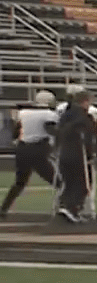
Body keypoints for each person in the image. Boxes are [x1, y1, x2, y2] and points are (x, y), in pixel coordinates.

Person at [0, 90, 59, 219]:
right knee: (58, 181)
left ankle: (3, 208)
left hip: (22, 149)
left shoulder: (24, 113)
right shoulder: (49, 114)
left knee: (19, 182)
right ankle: (64, 210)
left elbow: (16, 133)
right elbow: (51, 129)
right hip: (38, 149)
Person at [52, 86, 97, 224]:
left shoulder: (65, 115)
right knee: (84, 183)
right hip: (78, 153)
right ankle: (72, 208)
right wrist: (93, 154)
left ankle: (65, 206)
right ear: (84, 101)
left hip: (64, 152)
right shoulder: (84, 116)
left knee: (69, 182)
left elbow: (58, 132)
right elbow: (89, 136)